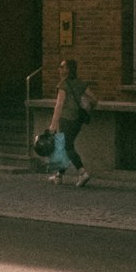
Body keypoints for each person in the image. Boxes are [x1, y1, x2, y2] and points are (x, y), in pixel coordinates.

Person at [47, 57, 95, 186]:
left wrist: (53, 124)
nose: (59, 69)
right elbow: (94, 99)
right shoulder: (80, 83)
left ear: (68, 70)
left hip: (65, 119)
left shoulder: (63, 85)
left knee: (67, 146)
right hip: (77, 121)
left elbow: (59, 105)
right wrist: (87, 107)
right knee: (64, 146)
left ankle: (82, 172)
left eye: (62, 67)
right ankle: (59, 176)